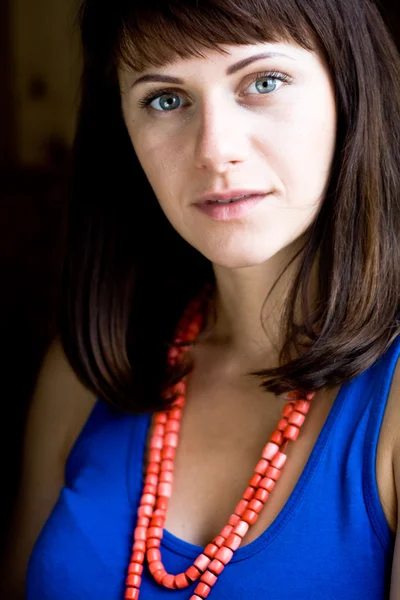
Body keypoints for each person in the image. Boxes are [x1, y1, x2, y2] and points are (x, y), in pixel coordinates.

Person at [1, 0, 400, 598]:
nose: (215, 150)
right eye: (165, 99)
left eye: (263, 82)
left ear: (351, 93)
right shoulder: (86, 373)